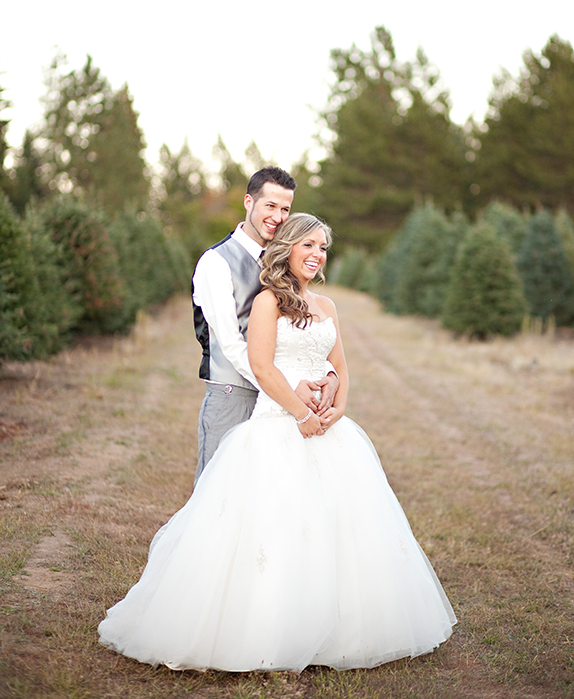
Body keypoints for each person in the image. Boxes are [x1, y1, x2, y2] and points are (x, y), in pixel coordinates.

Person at [98, 213, 456, 672]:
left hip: (327, 427)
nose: (316, 254)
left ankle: (341, 628)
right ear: (287, 249)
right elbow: (262, 367)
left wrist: (337, 405)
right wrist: (301, 413)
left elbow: (341, 366)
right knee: (272, 525)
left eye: (322, 247)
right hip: (279, 423)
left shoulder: (326, 305)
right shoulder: (268, 301)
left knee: (340, 525)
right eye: (308, 245)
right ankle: (265, 629)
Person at [191, 166, 338, 482]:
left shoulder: (286, 257)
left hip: (284, 400)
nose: (278, 216)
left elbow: (305, 330)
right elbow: (231, 343)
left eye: (285, 209)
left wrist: (329, 373)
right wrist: (286, 387)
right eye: (270, 205)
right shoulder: (216, 262)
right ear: (249, 202)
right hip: (234, 394)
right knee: (219, 488)